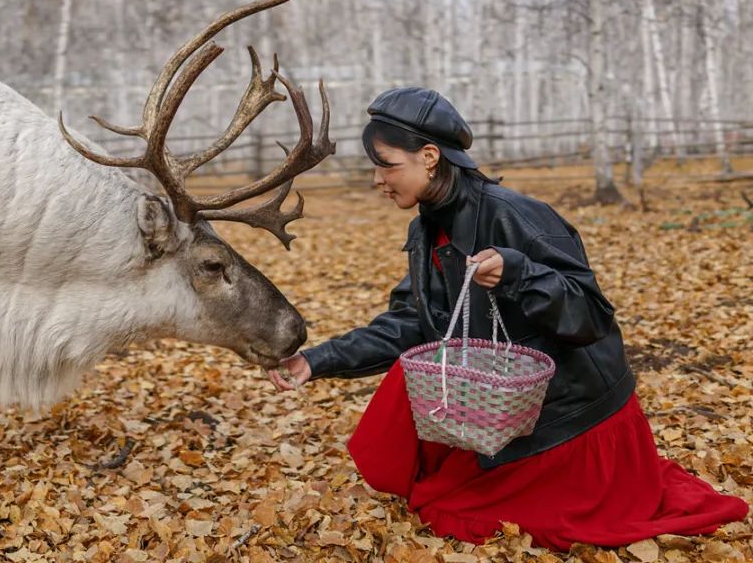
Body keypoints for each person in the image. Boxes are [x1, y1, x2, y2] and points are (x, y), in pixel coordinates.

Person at [267, 87, 749, 551]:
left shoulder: (516, 215)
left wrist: (519, 272)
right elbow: (413, 323)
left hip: (569, 411)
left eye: (387, 166)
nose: (378, 180)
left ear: (430, 156)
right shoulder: (427, 226)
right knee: (406, 411)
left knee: (457, 512)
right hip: (502, 403)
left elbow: (590, 315)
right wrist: (315, 361)